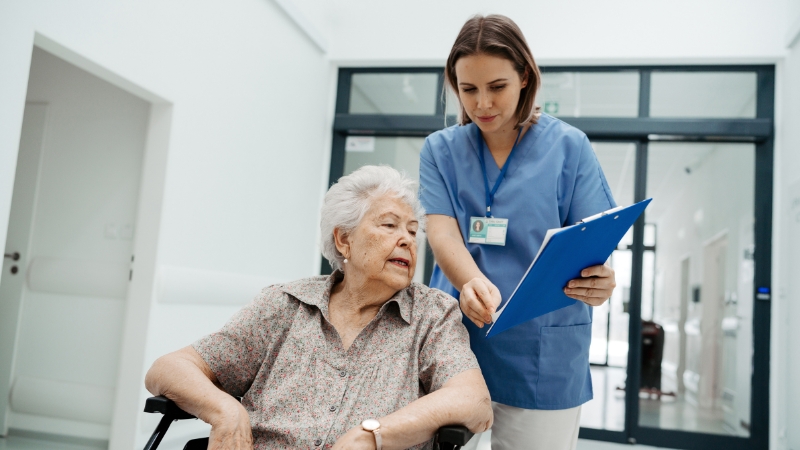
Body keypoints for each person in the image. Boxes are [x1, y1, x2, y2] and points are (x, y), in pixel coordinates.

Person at [145, 165, 493, 450]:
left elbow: (473, 400)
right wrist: (224, 409)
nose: (406, 239)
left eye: (412, 230)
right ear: (344, 240)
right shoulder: (284, 305)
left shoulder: (431, 315)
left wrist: (372, 435)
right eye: (389, 225)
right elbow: (168, 369)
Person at [419, 15, 617, 450]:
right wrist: (470, 281)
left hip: (543, 352)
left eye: (497, 86)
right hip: (458, 344)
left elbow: (594, 239)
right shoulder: (440, 150)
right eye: (468, 89)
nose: (482, 103)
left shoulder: (569, 148)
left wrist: (602, 282)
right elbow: (443, 234)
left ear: (525, 76)